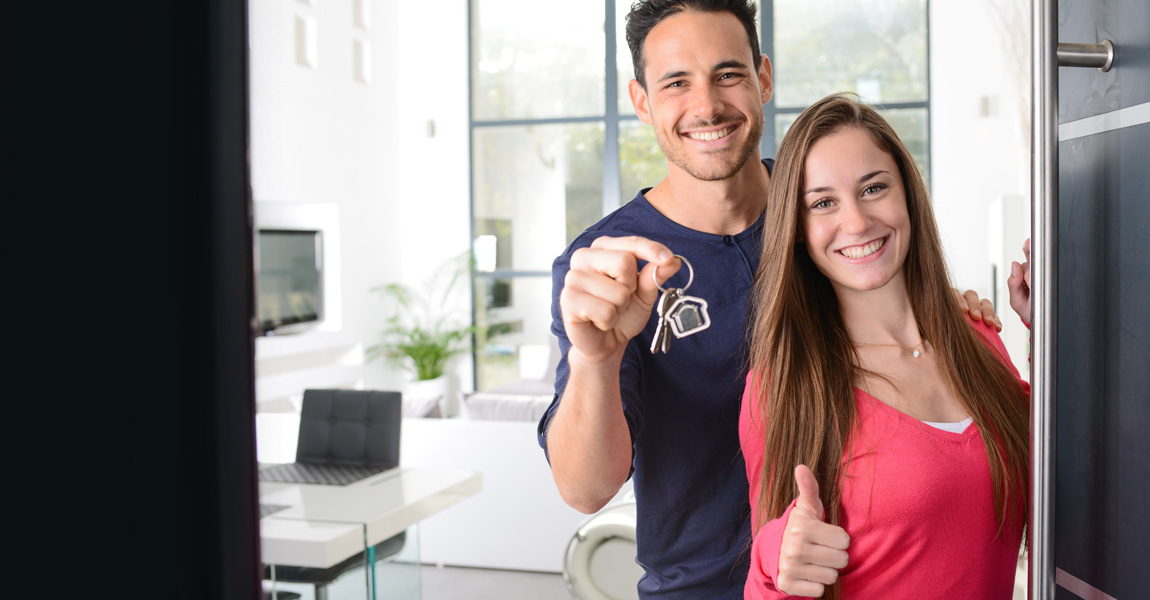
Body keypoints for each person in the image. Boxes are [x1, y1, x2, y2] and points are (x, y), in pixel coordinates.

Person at [537, 2, 1002, 597]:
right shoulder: (608, 266)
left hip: (857, 578)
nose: (706, 105)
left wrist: (956, 316)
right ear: (642, 100)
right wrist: (596, 360)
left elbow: (909, 328)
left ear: (763, 78)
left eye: (727, 74)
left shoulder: (826, 209)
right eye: (676, 83)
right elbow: (584, 489)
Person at [741, 94, 1032, 599]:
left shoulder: (980, 339)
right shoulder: (783, 384)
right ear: (798, 232)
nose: (856, 223)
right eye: (823, 202)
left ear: (907, 195)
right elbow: (773, 575)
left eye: (873, 188)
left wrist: (1052, 338)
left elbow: (1072, 466)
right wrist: (775, 560)